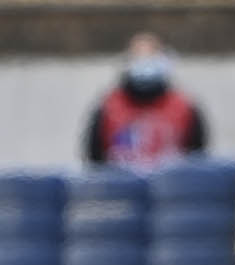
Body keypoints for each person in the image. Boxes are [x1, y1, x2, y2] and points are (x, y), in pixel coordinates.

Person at [82, 33, 208, 171]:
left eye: (150, 56)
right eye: (139, 57)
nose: (145, 64)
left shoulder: (184, 106)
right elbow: (95, 161)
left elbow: (198, 158)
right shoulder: (108, 107)